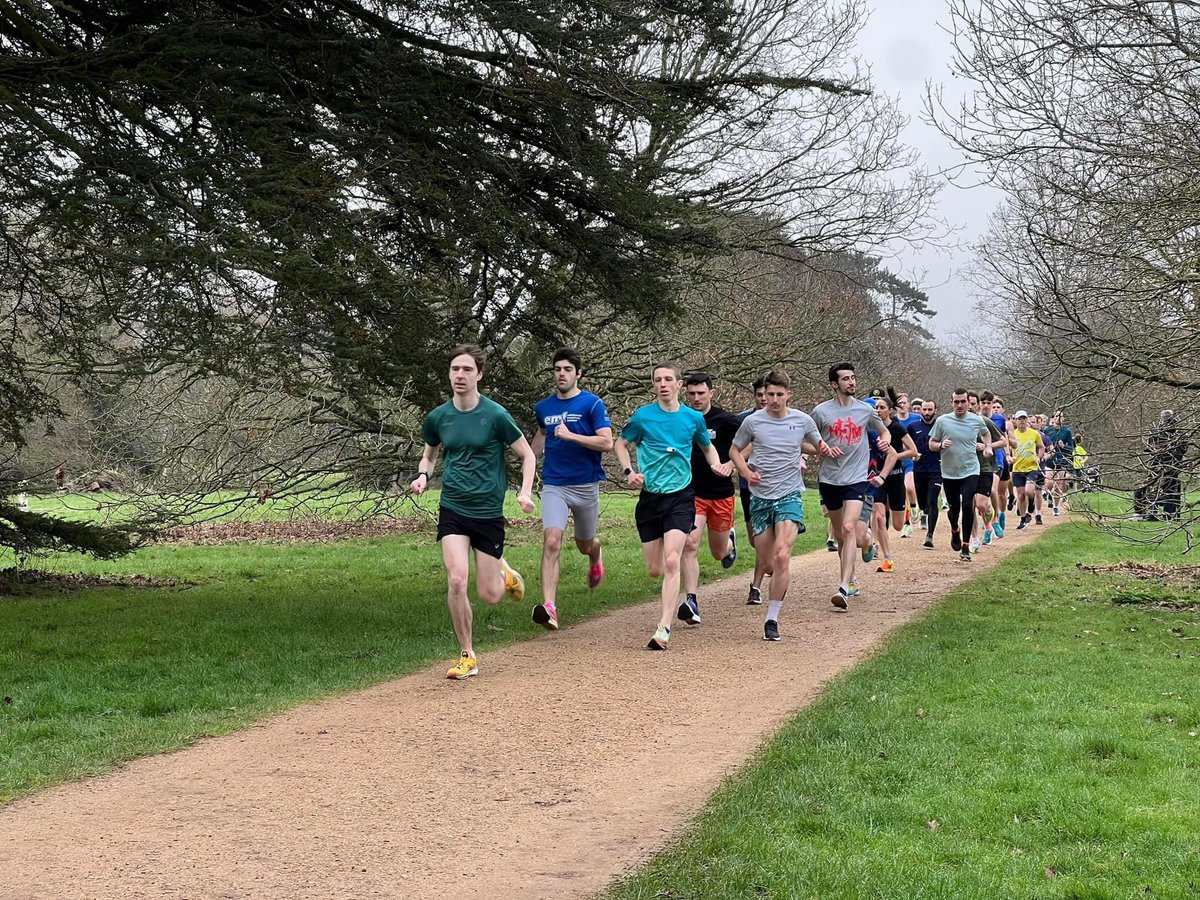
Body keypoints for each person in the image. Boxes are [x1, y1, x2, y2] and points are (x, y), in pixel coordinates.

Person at [412, 345, 537, 680]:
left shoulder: (495, 415)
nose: (460, 376)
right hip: (453, 507)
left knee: (490, 595)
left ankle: (505, 574)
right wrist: (423, 475)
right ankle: (467, 654)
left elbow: (527, 455)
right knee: (456, 579)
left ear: (479, 374)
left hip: (488, 512)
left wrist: (524, 492)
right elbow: (429, 455)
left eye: (467, 370)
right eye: (455, 369)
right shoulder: (439, 417)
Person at [615, 362, 732, 650]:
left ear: (678, 385)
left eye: (668, 379)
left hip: (681, 497)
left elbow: (707, 446)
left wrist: (717, 465)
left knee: (672, 560)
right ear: (653, 385)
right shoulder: (643, 417)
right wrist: (630, 472)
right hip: (650, 499)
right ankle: (665, 619)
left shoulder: (692, 419)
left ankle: (664, 627)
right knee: (655, 568)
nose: (663, 384)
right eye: (658, 380)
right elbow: (620, 445)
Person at [730, 370, 829, 640]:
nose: (773, 399)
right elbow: (734, 451)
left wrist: (826, 449)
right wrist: (746, 472)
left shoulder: (802, 420)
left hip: (789, 495)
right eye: (769, 394)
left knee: (783, 555)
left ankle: (772, 618)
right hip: (761, 497)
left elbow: (818, 443)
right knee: (769, 561)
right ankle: (769, 587)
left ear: (788, 395)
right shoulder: (752, 422)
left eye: (778, 395)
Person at [531, 348, 614, 631]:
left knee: (584, 544)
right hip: (554, 483)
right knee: (552, 540)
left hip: (585, 485)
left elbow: (607, 443)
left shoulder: (592, 405)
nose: (561, 374)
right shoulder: (544, 407)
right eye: (557, 369)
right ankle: (550, 607)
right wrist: (529, 463)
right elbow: (541, 435)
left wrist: (571, 436)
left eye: (567, 369)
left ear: (578, 373)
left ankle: (595, 553)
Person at [812, 363, 887, 608]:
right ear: (835, 384)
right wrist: (821, 448)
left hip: (856, 479)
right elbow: (806, 442)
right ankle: (850, 576)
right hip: (830, 479)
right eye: (846, 379)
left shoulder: (865, 411)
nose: (852, 382)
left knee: (847, 528)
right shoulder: (821, 412)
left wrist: (885, 442)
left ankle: (843, 587)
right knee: (841, 535)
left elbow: (884, 432)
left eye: (853, 378)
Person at [679, 373, 741, 625]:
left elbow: (747, 446)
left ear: (711, 394)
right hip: (691, 493)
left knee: (717, 552)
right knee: (690, 544)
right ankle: (691, 601)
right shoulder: (680, 419)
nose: (696, 398)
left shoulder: (725, 421)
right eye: (691, 393)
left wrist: (730, 464)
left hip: (720, 494)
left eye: (701, 393)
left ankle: (729, 543)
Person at [927, 388, 995, 562]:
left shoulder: (976, 420)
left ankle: (965, 546)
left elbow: (986, 434)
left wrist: (987, 447)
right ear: (951, 402)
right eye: (956, 402)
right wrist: (941, 445)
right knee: (954, 509)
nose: (960, 405)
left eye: (963, 401)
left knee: (967, 505)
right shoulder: (942, 421)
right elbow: (931, 444)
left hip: (971, 470)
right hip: (949, 473)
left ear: (968, 402)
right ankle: (955, 531)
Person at [868, 389, 917, 571]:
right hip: (877, 478)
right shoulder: (871, 429)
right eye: (876, 407)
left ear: (890, 410)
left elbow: (912, 450)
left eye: (881, 407)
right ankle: (886, 557)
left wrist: (895, 457)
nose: (878, 410)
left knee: (897, 526)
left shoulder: (897, 428)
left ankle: (905, 513)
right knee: (879, 516)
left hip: (895, 477)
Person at [737, 378, 774, 600]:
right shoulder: (743, 420)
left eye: (767, 394)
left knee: (767, 538)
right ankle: (768, 563)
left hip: (779, 488)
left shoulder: (787, 418)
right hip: (749, 486)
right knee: (755, 540)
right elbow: (734, 448)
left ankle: (756, 587)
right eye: (759, 394)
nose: (763, 399)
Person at [906, 398, 942, 549]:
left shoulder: (941, 426)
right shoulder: (913, 426)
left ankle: (930, 535)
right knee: (923, 503)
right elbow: (906, 444)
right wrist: (912, 454)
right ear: (920, 410)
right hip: (919, 470)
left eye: (929, 410)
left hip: (937, 469)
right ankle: (923, 510)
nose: (927, 413)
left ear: (935, 410)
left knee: (933, 500)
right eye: (924, 410)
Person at [1010, 410, 1045, 529]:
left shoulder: (1034, 433)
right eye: (1020, 419)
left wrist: (1039, 457)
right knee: (1020, 495)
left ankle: (1031, 503)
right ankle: (1023, 518)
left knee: (1029, 491)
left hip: (1032, 467)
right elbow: (1007, 449)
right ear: (1016, 420)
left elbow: (1041, 447)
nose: (1022, 421)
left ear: (1027, 420)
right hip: (1018, 468)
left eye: (1024, 419)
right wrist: (1009, 457)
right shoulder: (1012, 434)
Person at [894, 392, 922, 537]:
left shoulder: (916, 418)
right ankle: (907, 523)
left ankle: (914, 506)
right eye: (899, 403)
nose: (902, 406)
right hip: (897, 460)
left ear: (909, 404)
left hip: (911, 459)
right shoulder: (892, 421)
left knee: (910, 487)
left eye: (904, 403)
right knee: (902, 493)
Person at [1043, 410, 1076, 516]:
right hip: (1049, 460)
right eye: (1056, 416)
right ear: (1053, 418)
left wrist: (1064, 447)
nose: (1058, 418)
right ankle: (1048, 494)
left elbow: (1071, 449)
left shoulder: (1067, 431)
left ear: (1063, 418)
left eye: (1061, 416)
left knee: (1058, 485)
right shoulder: (1047, 430)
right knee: (1049, 483)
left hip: (1061, 460)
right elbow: (1042, 444)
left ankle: (1056, 507)